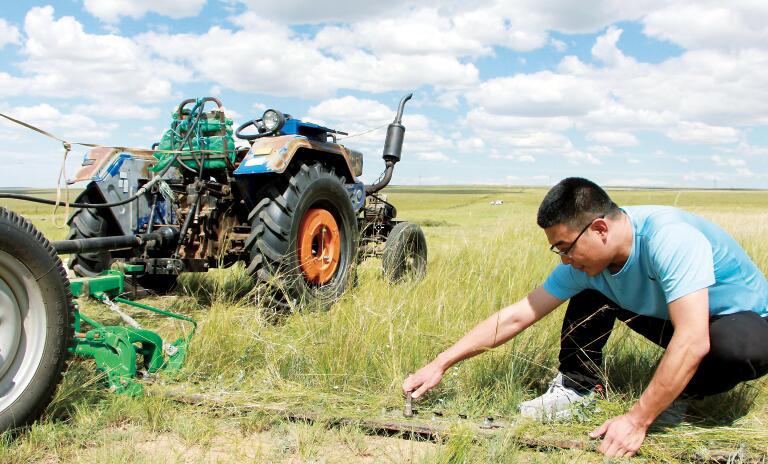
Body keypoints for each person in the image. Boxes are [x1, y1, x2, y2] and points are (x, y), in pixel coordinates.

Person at [402, 177, 768, 458]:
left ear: (600, 228)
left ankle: (679, 398)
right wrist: (441, 363)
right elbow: (517, 316)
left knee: (733, 347)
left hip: (741, 322)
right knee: (591, 286)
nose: (564, 260)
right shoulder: (586, 261)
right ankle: (580, 387)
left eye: (565, 248)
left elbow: (693, 339)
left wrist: (636, 419)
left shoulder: (669, 238)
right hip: (674, 319)